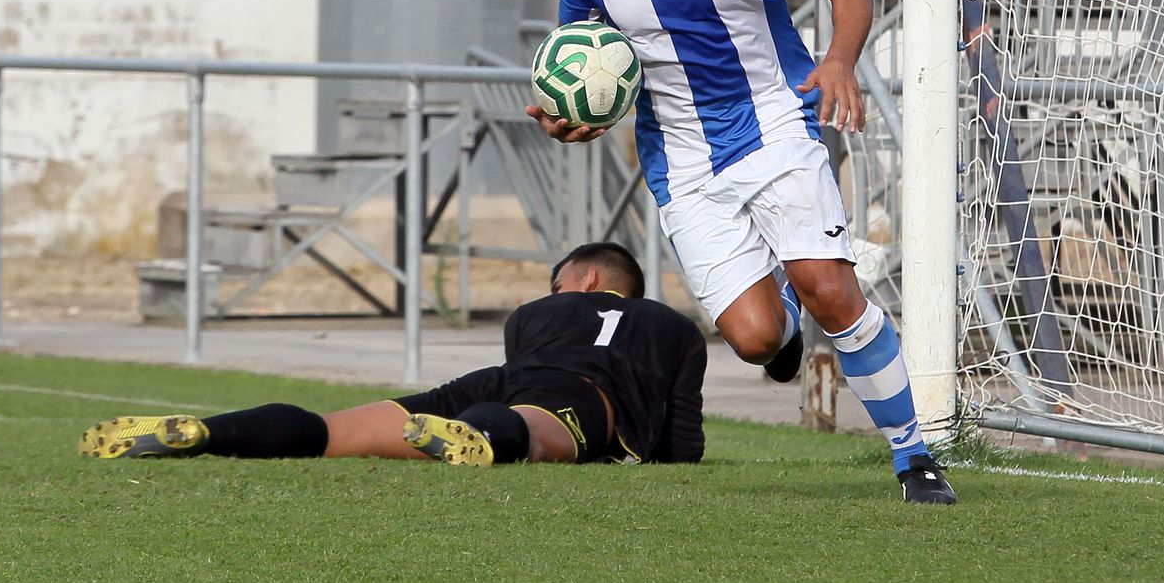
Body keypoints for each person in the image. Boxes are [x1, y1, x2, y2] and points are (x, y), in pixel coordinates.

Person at [526, 0, 955, 504]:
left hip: (774, 123)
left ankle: (915, 458)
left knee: (831, 290)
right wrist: (580, 114)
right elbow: (586, 55)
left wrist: (840, 61)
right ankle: (791, 295)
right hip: (682, 159)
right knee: (757, 339)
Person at [78, 242, 706, 466]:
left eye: (558, 279)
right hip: (583, 397)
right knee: (537, 428)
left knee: (335, 430)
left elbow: (522, 369)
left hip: (505, 379)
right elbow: (682, 440)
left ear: (588, 280)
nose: (554, 290)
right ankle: (481, 441)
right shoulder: (675, 328)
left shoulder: (535, 314)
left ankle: (211, 432)